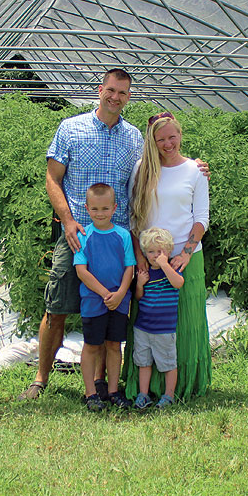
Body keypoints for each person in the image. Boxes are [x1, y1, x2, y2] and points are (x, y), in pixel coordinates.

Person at [17, 68, 143, 401]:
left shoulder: (134, 137)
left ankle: (101, 385)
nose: (115, 98)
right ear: (100, 90)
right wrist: (68, 222)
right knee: (57, 305)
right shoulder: (71, 129)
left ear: (129, 97)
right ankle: (41, 378)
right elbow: (52, 178)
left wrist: (193, 167)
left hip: (118, 240)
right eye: (111, 90)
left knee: (111, 308)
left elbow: (147, 180)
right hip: (77, 236)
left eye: (123, 93)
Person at [125, 111, 211, 400]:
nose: (167, 143)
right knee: (148, 321)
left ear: (180, 135)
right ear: (152, 141)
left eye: (172, 136)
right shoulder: (141, 169)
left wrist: (186, 253)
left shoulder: (195, 171)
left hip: (184, 260)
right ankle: (145, 390)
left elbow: (201, 218)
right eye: (160, 139)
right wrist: (140, 258)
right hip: (149, 261)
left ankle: (181, 387)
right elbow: (134, 218)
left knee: (184, 322)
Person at [72, 184, 135, 410]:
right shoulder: (83, 236)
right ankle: (91, 394)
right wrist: (104, 293)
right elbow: (82, 270)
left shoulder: (123, 235)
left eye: (105, 208)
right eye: (95, 209)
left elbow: (130, 267)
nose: (101, 214)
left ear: (115, 208)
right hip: (93, 302)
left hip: (118, 302)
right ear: (87, 209)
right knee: (91, 345)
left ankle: (113, 391)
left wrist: (119, 294)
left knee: (114, 345)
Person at [132, 226, 184, 410]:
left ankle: (168, 395)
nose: (155, 256)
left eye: (160, 251)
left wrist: (164, 265)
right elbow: (139, 298)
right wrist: (140, 284)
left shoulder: (171, 270)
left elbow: (178, 283)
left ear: (169, 251)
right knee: (144, 362)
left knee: (168, 363)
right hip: (143, 328)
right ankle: (143, 394)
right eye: (151, 252)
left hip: (164, 330)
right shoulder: (146, 273)